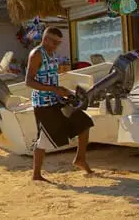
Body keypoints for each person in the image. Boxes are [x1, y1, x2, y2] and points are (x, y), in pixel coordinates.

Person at [25, 27, 94, 182]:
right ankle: (36, 174)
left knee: (84, 122)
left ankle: (80, 159)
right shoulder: (36, 54)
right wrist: (55, 89)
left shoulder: (53, 54)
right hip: (43, 104)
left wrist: (66, 91)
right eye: (54, 42)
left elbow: (51, 78)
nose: (57, 45)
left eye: (59, 43)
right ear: (46, 39)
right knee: (42, 139)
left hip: (57, 100)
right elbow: (28, 81)